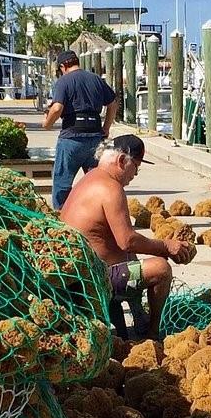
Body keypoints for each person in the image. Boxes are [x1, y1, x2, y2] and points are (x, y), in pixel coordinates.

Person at [60, 134, 193, 340]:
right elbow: (128, 240)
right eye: (136, 166)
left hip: (83, 270)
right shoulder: (111, 188)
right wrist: (166, 246)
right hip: (96, 277)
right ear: (122, 161)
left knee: (136, 260)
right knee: (161, 268)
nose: (136, 174)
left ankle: (136, 319)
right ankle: (152, 334)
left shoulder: (90, 178)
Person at [43, 49, 118, 209]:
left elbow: (57, 108)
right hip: (95, 137)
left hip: (72, 139)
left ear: (63, 66)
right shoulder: (96, 79)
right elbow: (113, 103)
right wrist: (106, 127)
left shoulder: (64, 81)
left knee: (62, 182)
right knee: (98, 181)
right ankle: (99, 214)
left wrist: (47, 124)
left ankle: (61, 216)